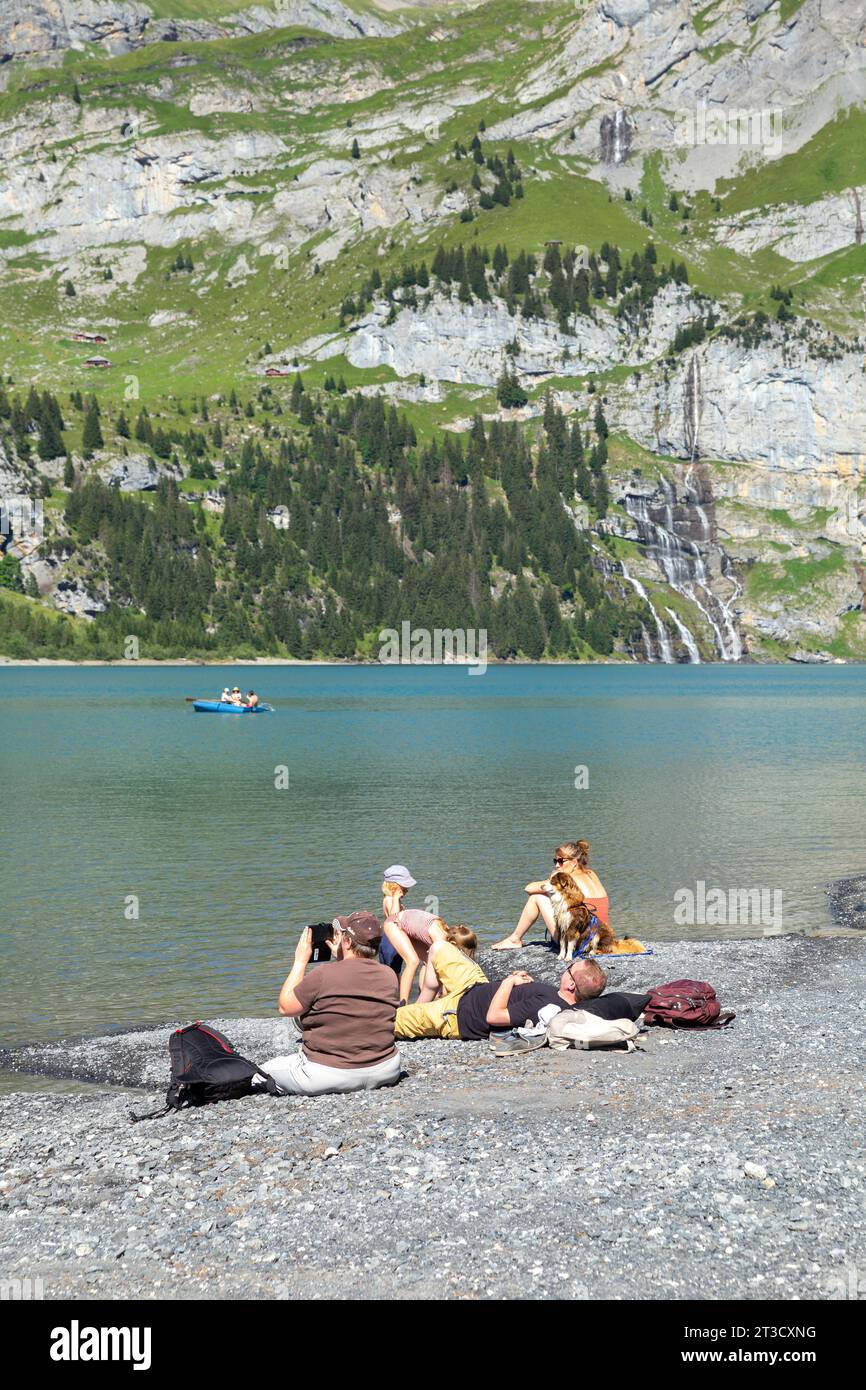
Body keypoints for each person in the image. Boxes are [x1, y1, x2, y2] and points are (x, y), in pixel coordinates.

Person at [259, 912, 402, 1095]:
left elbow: (286, 1007)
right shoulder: (389, 975)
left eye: (341, 935)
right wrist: (342, 960)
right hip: (385, 1069)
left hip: (328, 1074)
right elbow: (355, 984)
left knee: (262, 1071)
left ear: (348, 942)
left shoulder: (323, 973)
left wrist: (300, 961)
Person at [491, 838, 610, 950]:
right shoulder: (591, 873)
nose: (557, 865)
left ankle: (514, 939)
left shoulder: (567, 879)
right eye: (555, 861)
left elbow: (529, 888)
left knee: (536, 897)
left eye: (561, 861)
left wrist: (552, 878)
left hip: (579, 940)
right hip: (601, 938)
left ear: (574, 862)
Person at [379, 864, 449, 1002]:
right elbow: (393, 918)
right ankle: (397, 999)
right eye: (404, 888)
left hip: (396, 937)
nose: (406, 891)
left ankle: (404, 995)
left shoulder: (393, 900)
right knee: (394, 971)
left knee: (401, 968)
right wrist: (395, 899)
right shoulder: (389, 900)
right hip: (391, 941)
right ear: (394, 886)